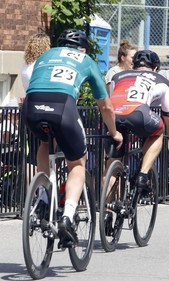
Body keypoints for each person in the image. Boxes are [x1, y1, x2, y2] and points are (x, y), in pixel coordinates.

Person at [23, 29, 123, 247]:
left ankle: (42, 196)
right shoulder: (85, 59)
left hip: (32, 106)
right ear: (83, 48)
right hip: (62, 107)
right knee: (77, 163)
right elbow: (105, 106)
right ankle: (67, 216)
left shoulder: (44, 55)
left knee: (43, 141)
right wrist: (113, 132)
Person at [107, 50, 169, 199]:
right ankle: (143, 174)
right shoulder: (161, 80)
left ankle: (106, 211)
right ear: (155, 68)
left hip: (113, 115)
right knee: (159, 131)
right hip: (138, 113)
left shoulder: (117, 76)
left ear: (133, 66)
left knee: (111, 166)